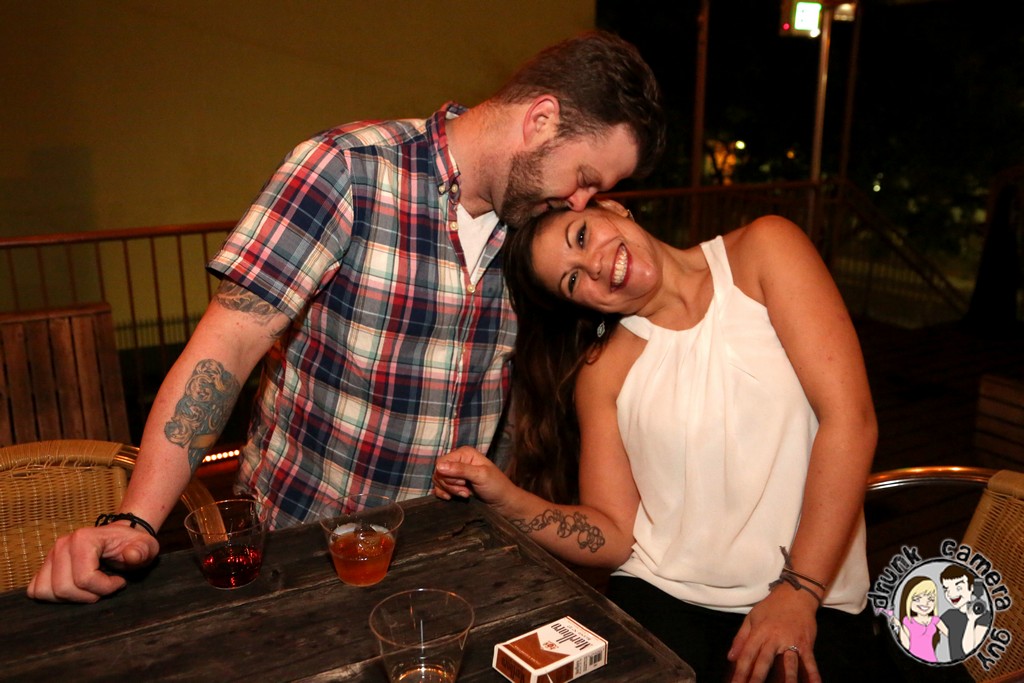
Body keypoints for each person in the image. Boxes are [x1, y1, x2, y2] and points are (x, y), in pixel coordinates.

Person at [27, 31, 666, 603]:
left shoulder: (536, 233)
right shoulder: (350, 168)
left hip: (444, 553)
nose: (582, 200)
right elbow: (227, 346)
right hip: (303, 545)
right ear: (541, 118)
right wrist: (137, 519)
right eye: (585, 176)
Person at [433, 202, 879, 682]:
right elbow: (613, 536)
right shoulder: (602, 372)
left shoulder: (765, 251)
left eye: (581, 236)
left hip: (810, 592)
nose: (595, 265)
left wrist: (799, 589)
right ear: (581, 305)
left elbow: (850, 421)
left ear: (612, 207)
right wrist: (507, 500)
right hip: (662, 599)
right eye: (573, 280)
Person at [939, 565, 992, 660]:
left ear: (971, 588)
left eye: (958, 588)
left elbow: (968, 650)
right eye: (946, 589)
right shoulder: (949, 615)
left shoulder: (984, 616)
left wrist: (971, 620)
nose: (951, 593)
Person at [891, 576, 947, 663]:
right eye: (917, 599)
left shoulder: (935, 620)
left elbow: (951, 635)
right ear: (908, 600)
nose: (925, 603)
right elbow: (906, 645)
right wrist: (899, 626)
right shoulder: (908, 621)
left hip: (931, 659)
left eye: (931, 599)